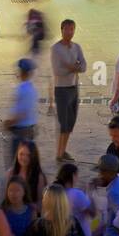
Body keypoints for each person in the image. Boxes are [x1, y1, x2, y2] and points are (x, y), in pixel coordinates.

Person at [51, 19, 87, 163]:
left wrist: (70, 67)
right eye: (67, 29)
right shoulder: (56, 49)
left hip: (73, 88)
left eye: (72, 29)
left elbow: (83, 66)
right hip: (61, 89)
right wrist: (74, 68)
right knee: (63, 122)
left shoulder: (76, 47)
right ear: (61, 30)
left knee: (70, 122)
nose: (69, 32)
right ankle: (59, 153)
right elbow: (57, 70)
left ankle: (63, 150)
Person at [3, 58, 40, 163]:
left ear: (22, 72)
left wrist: (8, 123)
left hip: (21, 132)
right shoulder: (31, 88)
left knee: (16, 164)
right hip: (28, 130)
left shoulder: (23, 89)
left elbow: (23, 113)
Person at [7, 138, 47, 212]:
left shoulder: (39, 176)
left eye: (28, 155)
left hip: (31, 215)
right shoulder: (11, 173)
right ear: (17, 154)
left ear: (34, 156)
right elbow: (6, 198)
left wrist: (27, 206)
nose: (24, 158)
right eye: (21, 154)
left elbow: (41, 204)